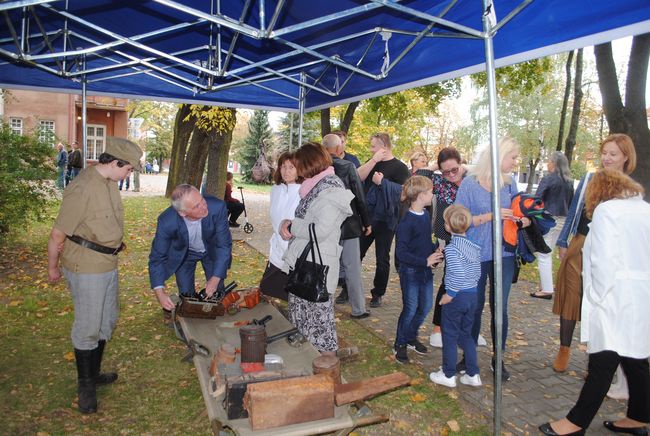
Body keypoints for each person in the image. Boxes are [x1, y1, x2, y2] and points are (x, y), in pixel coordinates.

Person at [539, 169, 649, 436]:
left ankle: (576, 422)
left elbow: (603, 260)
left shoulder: (607, 212)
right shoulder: (645, 209)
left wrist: (596, 298)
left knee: (603, 359)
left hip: (612, 297)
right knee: (634, 358)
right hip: (640, 295)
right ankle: (639, 416)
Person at [47, 137, 143, 414]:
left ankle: (95, 372)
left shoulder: (109, 183)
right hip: (86, 266)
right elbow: (57, 234)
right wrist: (53, 267)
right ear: (115, 163)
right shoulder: (82, 188)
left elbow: (105, 221)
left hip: (107, 263)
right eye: (129, 169)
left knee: (106, 321)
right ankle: (86, 384)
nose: (129, 174)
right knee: (88, 326)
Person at [551, 133, 637, 373]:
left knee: (602, 303)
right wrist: (563, 240)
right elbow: (575, 212)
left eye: (613, 154)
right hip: (581, 243)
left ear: (626, 157)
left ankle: (596, 361)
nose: (607, 158)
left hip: (610, 250)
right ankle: (564, 349)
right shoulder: (590, 178)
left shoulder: (630, 187)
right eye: (604, 153)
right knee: (570, 296)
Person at [454, 137, 530, 382]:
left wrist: (524, 220)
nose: (515, 162)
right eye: (513, 157)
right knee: (473, 308)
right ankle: (468, 356)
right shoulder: (469, 184)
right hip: (474, 254)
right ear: (499, 157)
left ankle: (499, 358)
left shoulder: (510, 184)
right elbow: (459, 220)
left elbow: (519, 212)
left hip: (504, 255)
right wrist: (490, 216)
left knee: (500, 308)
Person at [279, 142, 353, 355]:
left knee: (320, 327)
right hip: (305, 261)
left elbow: (320, 229)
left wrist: (292, 225)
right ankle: (308, 368)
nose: (296, 168)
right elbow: (306, 219)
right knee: (302, 320)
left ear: (309, 163)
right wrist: (288, 222)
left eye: (298, 164)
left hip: (317, 266)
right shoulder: (313, 185)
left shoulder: (332, 188)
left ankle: (328, 372)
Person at [415, 147, 484, 349]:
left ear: (462, 163)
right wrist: (437, 166)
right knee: (449, 281)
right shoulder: (440, 181)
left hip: (474, 238)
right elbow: (418, 176)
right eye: (446, 172)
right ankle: (437, 328)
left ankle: (470, 329)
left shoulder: (475, 180)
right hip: (449, 238)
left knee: (472, 283)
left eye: (454, 170)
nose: (451, 175)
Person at [149, 184, 232, 312]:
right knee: (186, 294)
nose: (204, 206)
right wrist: (160, 293)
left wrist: (215, 279)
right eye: (196, 206)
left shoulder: (218, 207)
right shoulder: (166, 221)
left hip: (211, 252)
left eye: (202, 200)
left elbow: (223, 245)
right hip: (185, 254)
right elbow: (157, 258)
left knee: (217, 288)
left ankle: (217, 314)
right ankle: (190, 318)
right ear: (182, 213)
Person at [392, 176, 444, 364]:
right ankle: (400, 343)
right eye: (430, 192)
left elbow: (424, 242)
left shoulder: (426, 215)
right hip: (410, 273)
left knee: (426, 307)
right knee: (410, 308)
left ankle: (410, 336)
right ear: (421, 195)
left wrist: (435, 252)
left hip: (424, 271)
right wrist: (425, 260)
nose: (433, 194)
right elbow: (401, 253)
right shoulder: (406, 222)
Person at [429, 205, 482, 388]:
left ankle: (448, 374)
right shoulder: (474, 248)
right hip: (472, 295)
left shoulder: (452, 250)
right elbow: (477, 273)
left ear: (448, 227)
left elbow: (457, 275)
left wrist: (449, 295)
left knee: (450, 336)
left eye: (445, 221)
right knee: (466, 335)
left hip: (456, 297)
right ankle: (472, 373)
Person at [358, 133, 410, 308]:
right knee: (356, 254)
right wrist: (373, 160)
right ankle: (348, 288)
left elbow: (404, 194)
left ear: (384, 147)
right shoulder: (372, 161)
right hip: (368, 219)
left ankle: (377, 293)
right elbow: (359, 177)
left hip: (387, 221)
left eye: (373, 146)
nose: (371, 149)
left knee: (382, 259)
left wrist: (382, 183)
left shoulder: (401, 168)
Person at [322, 134, 372, 319]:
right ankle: (358, 309)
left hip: (326, 225)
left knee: (326, 265)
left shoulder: (318, 168)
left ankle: (323, 304)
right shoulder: (348, 166)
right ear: (339, 149)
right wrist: (366, 222)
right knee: (353, 267)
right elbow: (359, 196)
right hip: (349, 224)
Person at [530, 152, 574, 299]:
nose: (547, 164)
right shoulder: (569, 181)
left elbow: (537, 199)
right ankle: (551, 285)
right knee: (555, 253)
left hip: (549, 219)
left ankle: (547, 289)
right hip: (563, 221)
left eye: (549, 161)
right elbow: (572, 202)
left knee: (544, 254)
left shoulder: (548, 179)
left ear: (554, 164)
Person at [258, 152, 301, 301]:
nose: (286, 171)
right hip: (277, 249)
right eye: (283, 166)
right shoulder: (276, 189)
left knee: (294, 294)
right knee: (267, 287)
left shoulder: (303, 191)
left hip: (295, 251)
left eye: (291, 167)